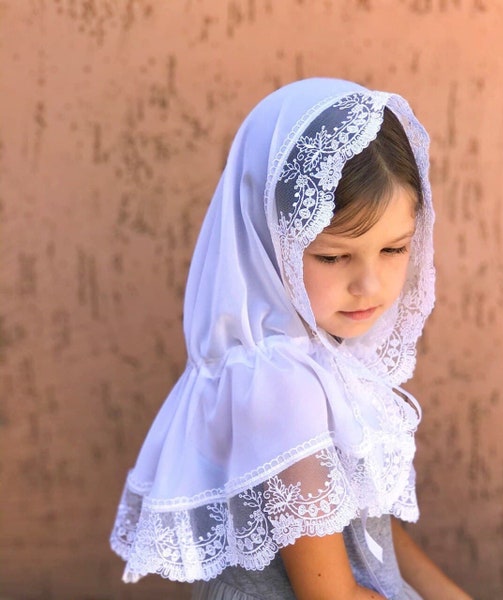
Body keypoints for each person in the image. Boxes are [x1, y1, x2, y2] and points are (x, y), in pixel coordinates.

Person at [110, 78, 472, 599]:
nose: (368, 284)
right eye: (333, 256)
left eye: (394, 249)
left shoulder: (326, 358)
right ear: (267, 239)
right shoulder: (280, 381)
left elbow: (373, 535)